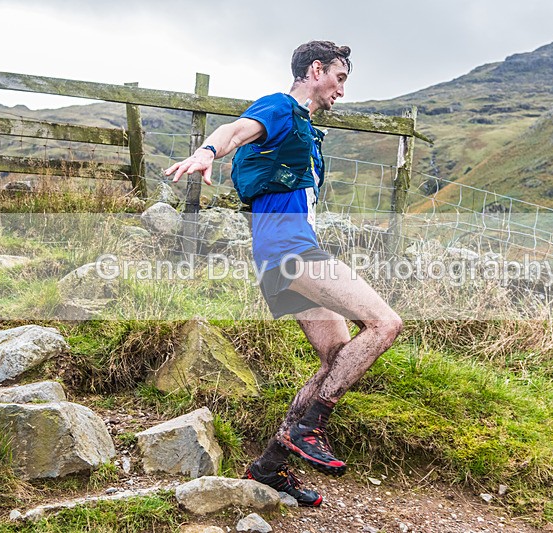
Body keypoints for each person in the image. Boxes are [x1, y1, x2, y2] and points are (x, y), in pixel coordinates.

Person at [165, 41, 402, 507]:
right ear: (316, 70)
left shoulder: (305, 130)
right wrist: (209, 151)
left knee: (335, 358)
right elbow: (235, 130)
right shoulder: (278, 106)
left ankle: (269, 467)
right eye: (339, 78)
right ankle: (309, 427)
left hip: (282, 256)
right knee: (385, 323)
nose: (341, 90)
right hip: (290, 252)